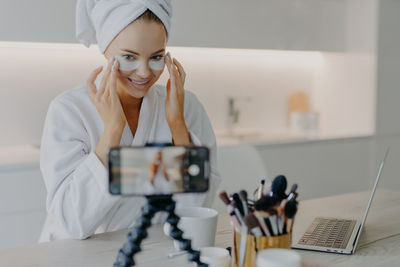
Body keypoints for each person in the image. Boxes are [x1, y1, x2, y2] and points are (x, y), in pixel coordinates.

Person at [39, 0, 220, 242]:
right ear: (105, 50)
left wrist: (177, 125)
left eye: (156, 56)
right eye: (128, 57)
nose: (144, 72)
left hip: (154, 252)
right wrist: (113, 132)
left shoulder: (185, 107)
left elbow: (197, 209)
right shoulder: (69, 110)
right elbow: (72, 222)